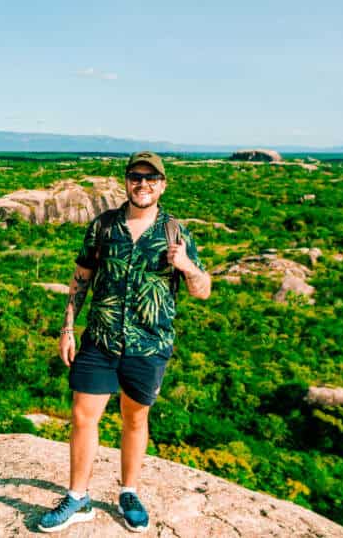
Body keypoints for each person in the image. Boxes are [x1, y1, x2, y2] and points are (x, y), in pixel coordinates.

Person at [38, 151, 211, 533]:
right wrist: (67, 327)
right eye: (136, 177)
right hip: (100, 338)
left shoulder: (176, 232)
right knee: (83, 416)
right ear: (126, 181)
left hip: (149, 344)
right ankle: (78, 497)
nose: (143, 184)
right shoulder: (104, 226)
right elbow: (81, 276)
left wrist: (187, 266)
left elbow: (203, 290)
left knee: (135, 418)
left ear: (163, 185)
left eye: (151, 179)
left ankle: (128, 491)